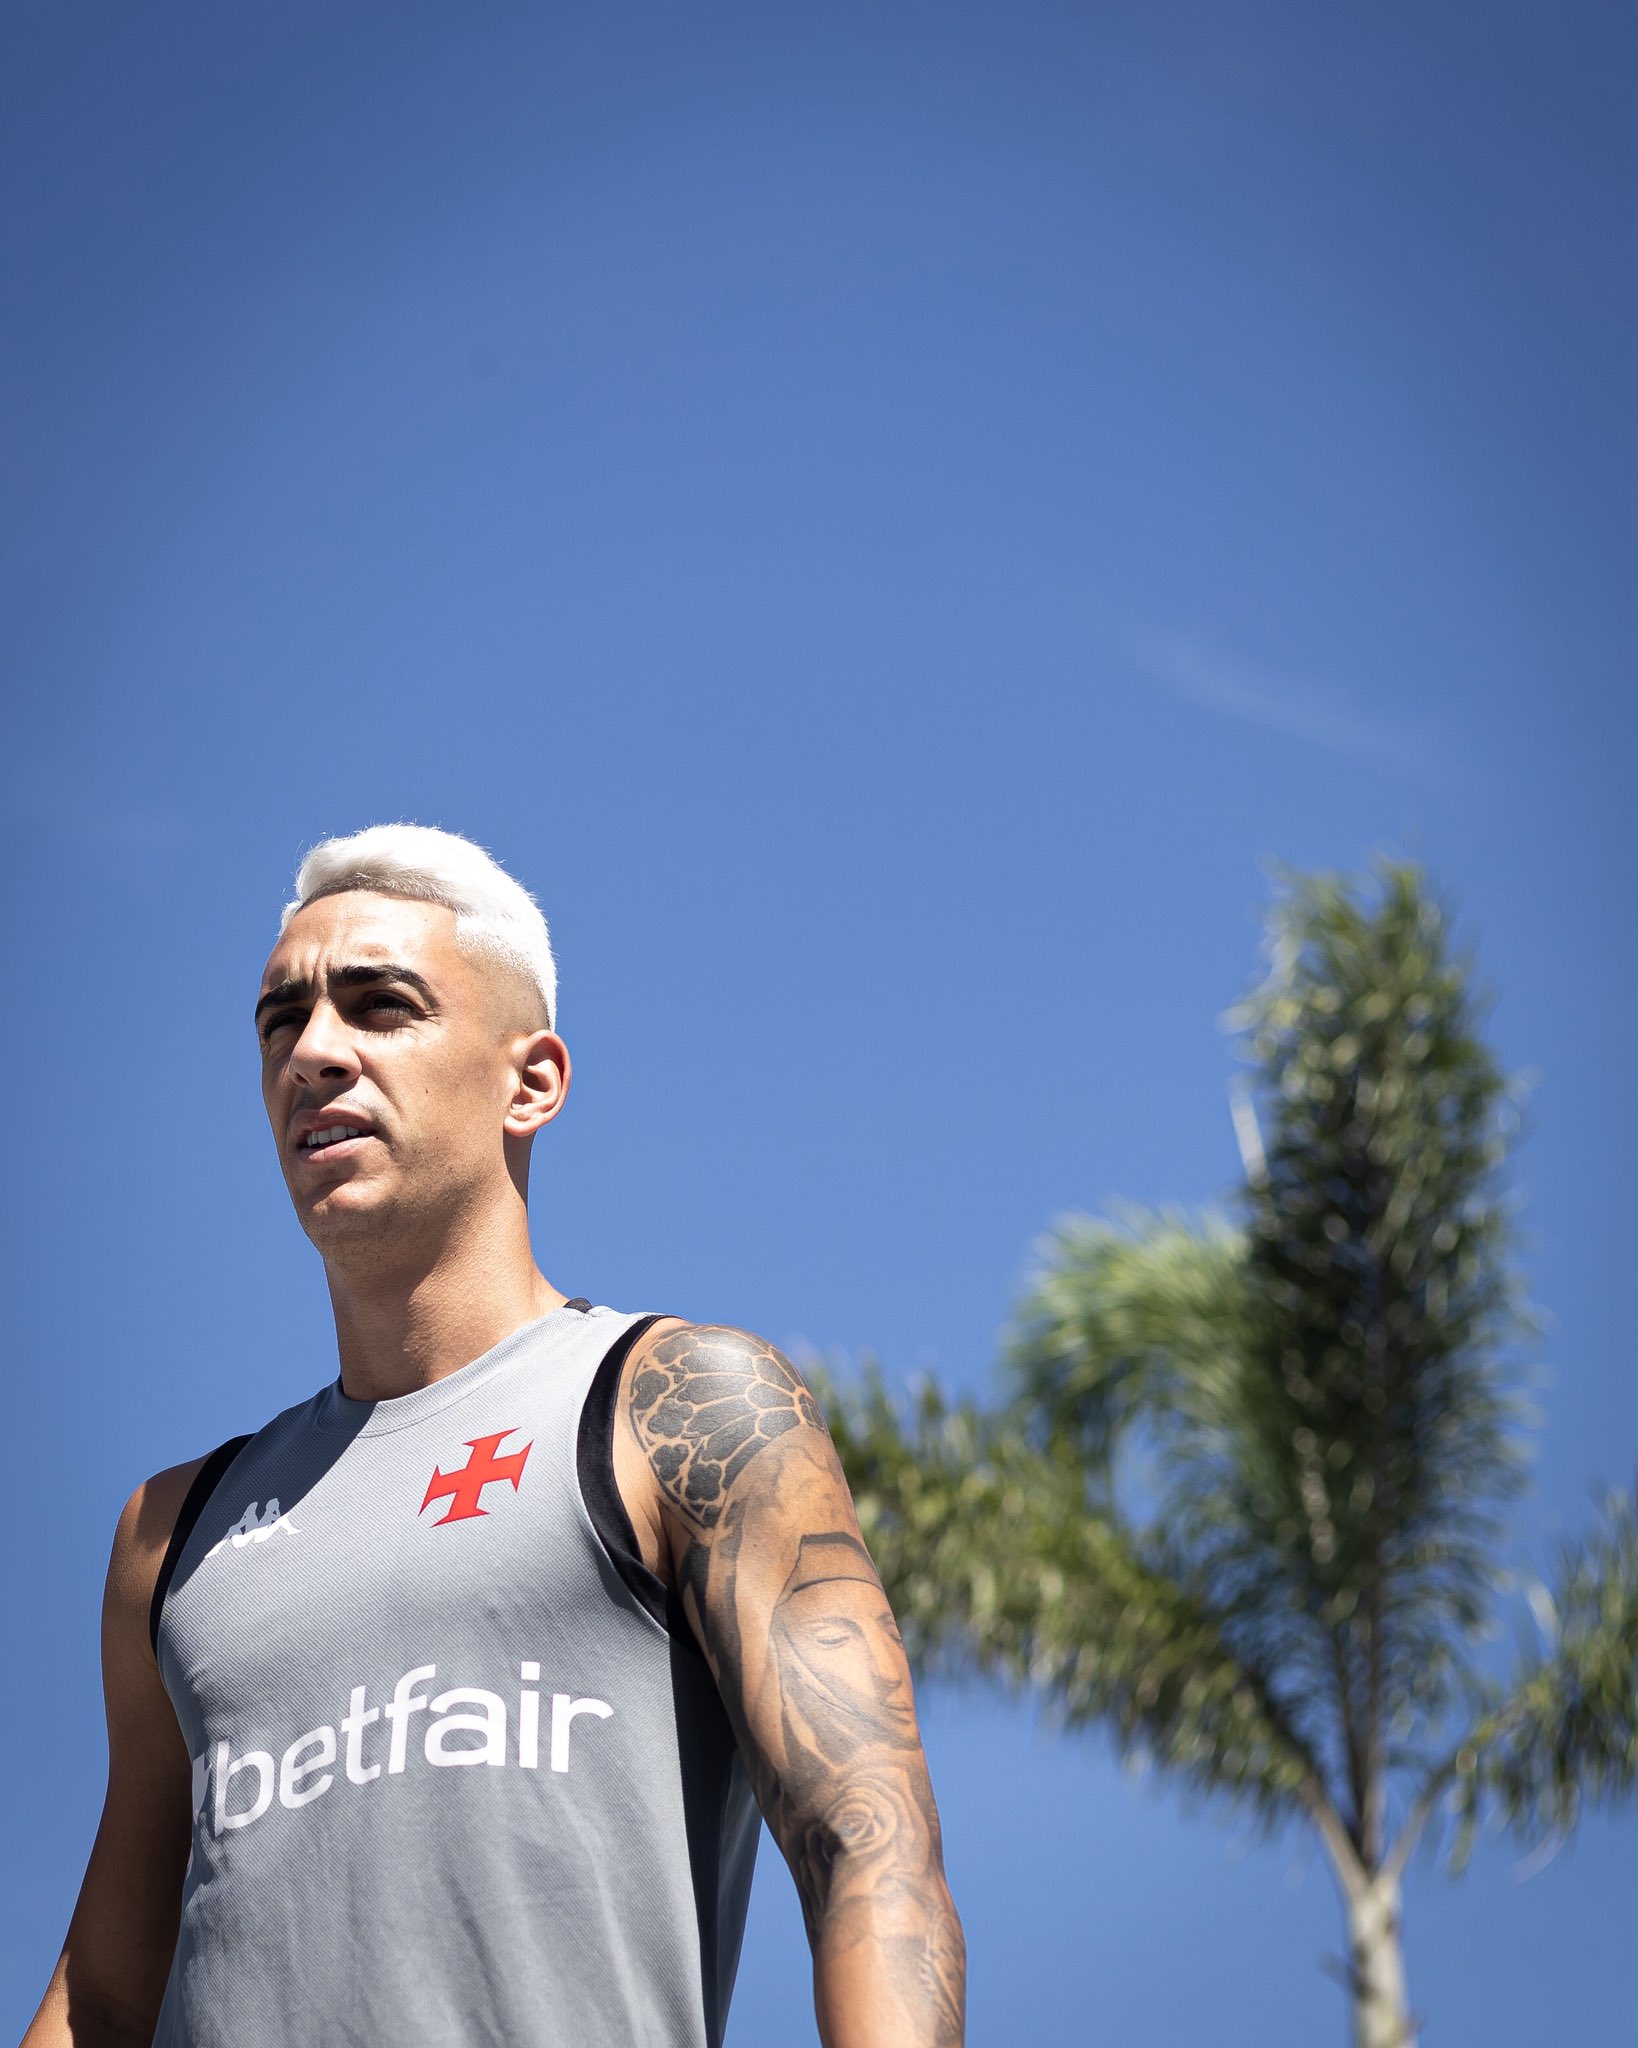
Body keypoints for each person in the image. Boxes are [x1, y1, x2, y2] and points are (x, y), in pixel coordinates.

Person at [25, 824, 965, 2048]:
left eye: (381, 1005)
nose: (314, 1051)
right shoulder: (171, 1533)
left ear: (532, 1082)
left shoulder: (679, 1405)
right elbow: (104, 1998)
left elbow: (869, 1850)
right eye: (281, 1020)